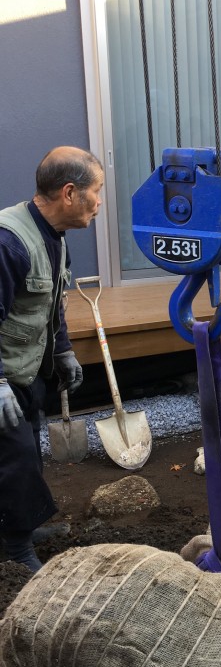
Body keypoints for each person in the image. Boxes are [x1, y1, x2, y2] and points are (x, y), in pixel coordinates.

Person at [0, 146, 104, 572]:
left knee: (27, 452)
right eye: (96, 192)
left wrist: (63, 351)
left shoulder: (54, 238)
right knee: (15, 458)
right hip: (6, 374)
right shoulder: (8, 242)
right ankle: (16, 551)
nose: (99, 203)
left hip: (28, 369)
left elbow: (53, 300)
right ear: (69, 193)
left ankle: (19, 528)